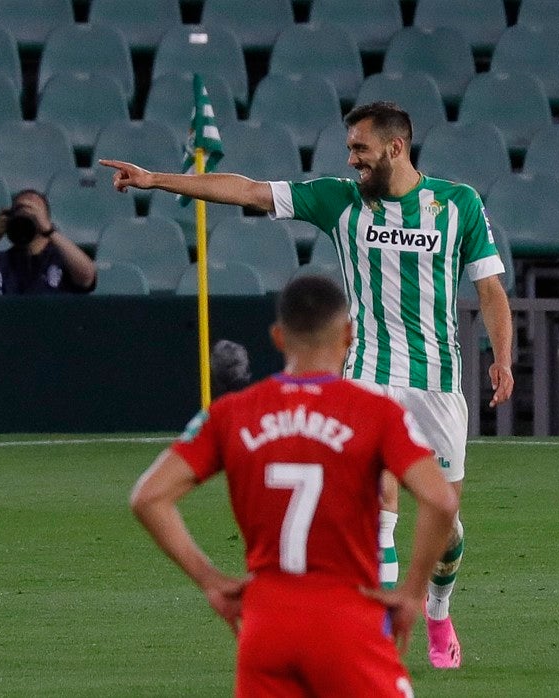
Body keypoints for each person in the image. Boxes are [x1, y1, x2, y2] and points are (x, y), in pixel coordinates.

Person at [102, 100, 514, 669]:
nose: (352, 161)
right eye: (350, 150)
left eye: (360, 150)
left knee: (444, 522)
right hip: (367, 372)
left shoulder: (459, 204)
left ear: (396, 148)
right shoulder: (339, 200)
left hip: (438, 382)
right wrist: (154, 179)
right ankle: (383, 639)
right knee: (381, 503)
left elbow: (490, 290)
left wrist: (502, 357)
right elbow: (247, 190)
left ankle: (439, 608)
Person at [130, 275, 459, 696]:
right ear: (349, 334)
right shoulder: (377, 412)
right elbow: (440, 499)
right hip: (346, 621)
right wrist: (412, 593)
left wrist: (210, 579)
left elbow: (148, 497)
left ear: (278, 336)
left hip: (266, 629)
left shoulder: (231, 414)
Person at [0, 189, 97, 295]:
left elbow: (87, 277)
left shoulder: (63, 259)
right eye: (20, 209)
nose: (27, 214)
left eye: (34, 210)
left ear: (46, 218)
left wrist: (49, 230)